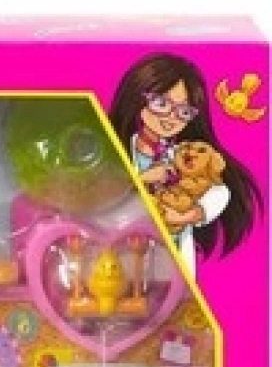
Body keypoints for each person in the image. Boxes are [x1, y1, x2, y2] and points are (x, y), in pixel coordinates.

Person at [109, 53, 261, 275]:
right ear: (136, 97)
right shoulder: (116, 149)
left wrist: (189, 215)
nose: (171, 117)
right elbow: (102, 194)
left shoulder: (184, 156)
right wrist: (142, 179)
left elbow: (220, 192)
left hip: (172, 257)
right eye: (161, 103)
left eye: (183, 111)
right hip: (124, 251)